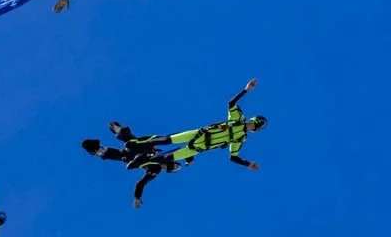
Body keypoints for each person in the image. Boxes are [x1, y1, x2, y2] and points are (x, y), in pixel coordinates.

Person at [83, 79, 264, 205]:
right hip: (196, 135)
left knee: (137, 151)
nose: (250, 126)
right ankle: (113, 127)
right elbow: (231, 104)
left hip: (192, 148)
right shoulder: (238, 119)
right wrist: (246, 90)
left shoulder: (154, 170)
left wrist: (247, 164)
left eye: (254, 126)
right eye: (253, 123)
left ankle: (102, 146)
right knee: (154, 140)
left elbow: (233, 156)